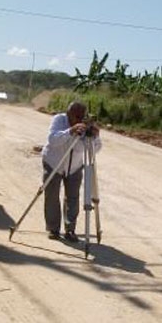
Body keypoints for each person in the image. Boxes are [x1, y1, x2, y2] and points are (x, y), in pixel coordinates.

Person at [41, 101, 101, 242]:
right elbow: (52, 140)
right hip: (53, 163)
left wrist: (95, 137)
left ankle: (70, 230)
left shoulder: (87, 126)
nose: (79, 119)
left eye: (82, 116)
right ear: (68, 114)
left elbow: (95, 150)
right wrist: (70, 131)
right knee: (52, 196)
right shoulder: (59, 120)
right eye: (76, 116)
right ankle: (53, 229)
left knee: (73, 198)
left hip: (75, 166)